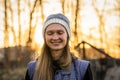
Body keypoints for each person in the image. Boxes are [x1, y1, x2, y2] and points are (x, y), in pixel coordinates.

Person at [25, 13, 93, 80]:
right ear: (45, 37)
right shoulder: (32, 68)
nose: (55, 37)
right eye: (50, 33)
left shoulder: (82, 68)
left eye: (60, 32)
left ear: (67, 36)